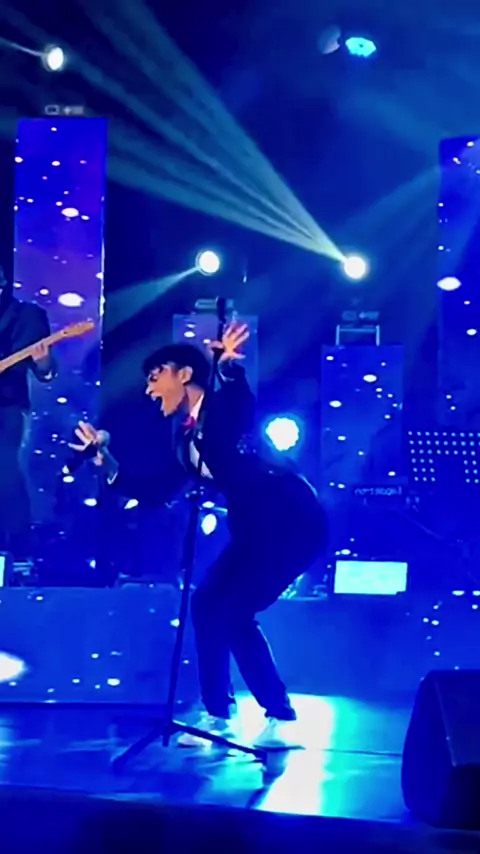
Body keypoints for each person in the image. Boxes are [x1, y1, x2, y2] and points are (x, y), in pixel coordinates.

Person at [70, 323, 328, 747]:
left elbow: (239, 406)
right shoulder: (185, 439)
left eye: (156, 377)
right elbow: (156, 490)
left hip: (291, 524)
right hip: (253, 533)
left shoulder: (223, 410)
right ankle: (219, 712)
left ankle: (279, 714)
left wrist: (228, 367)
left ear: (184, 374)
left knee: (234, 612)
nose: (150, 390)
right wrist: (106, 460)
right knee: (208, 603)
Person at [0, 266, 56, 556]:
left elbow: (45, 371)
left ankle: (18, 540)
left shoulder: (26, 315)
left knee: (5, 467)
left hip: (7, 405)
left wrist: (44, 363)